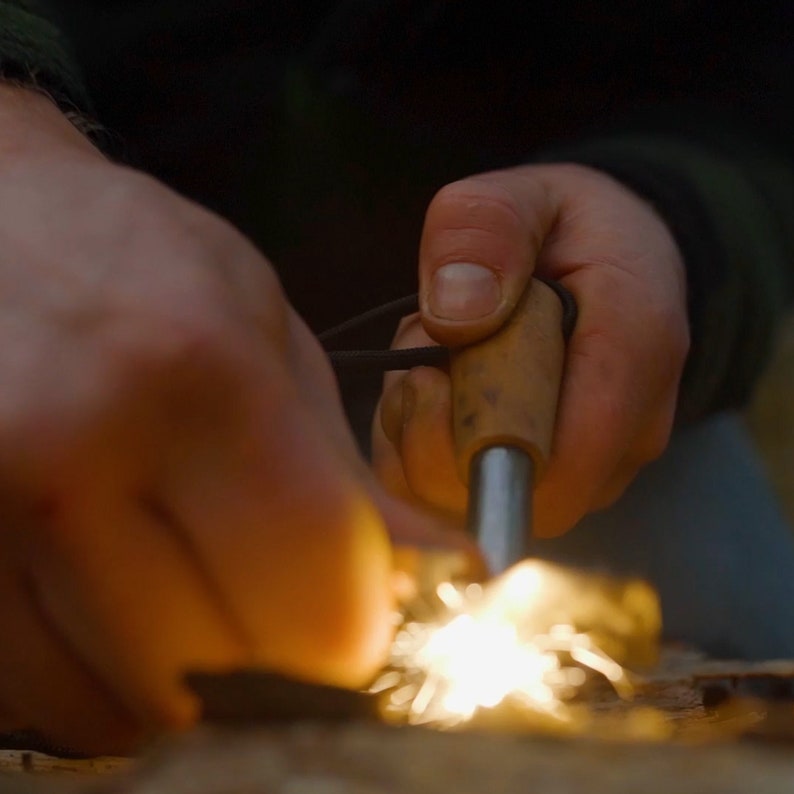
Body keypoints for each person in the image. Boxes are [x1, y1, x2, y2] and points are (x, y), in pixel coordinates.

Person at [0, 0, 793, 753]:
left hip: (565, 392)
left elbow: (759, 103)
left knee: (725, 607)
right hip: (58, 318)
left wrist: (672, 217)